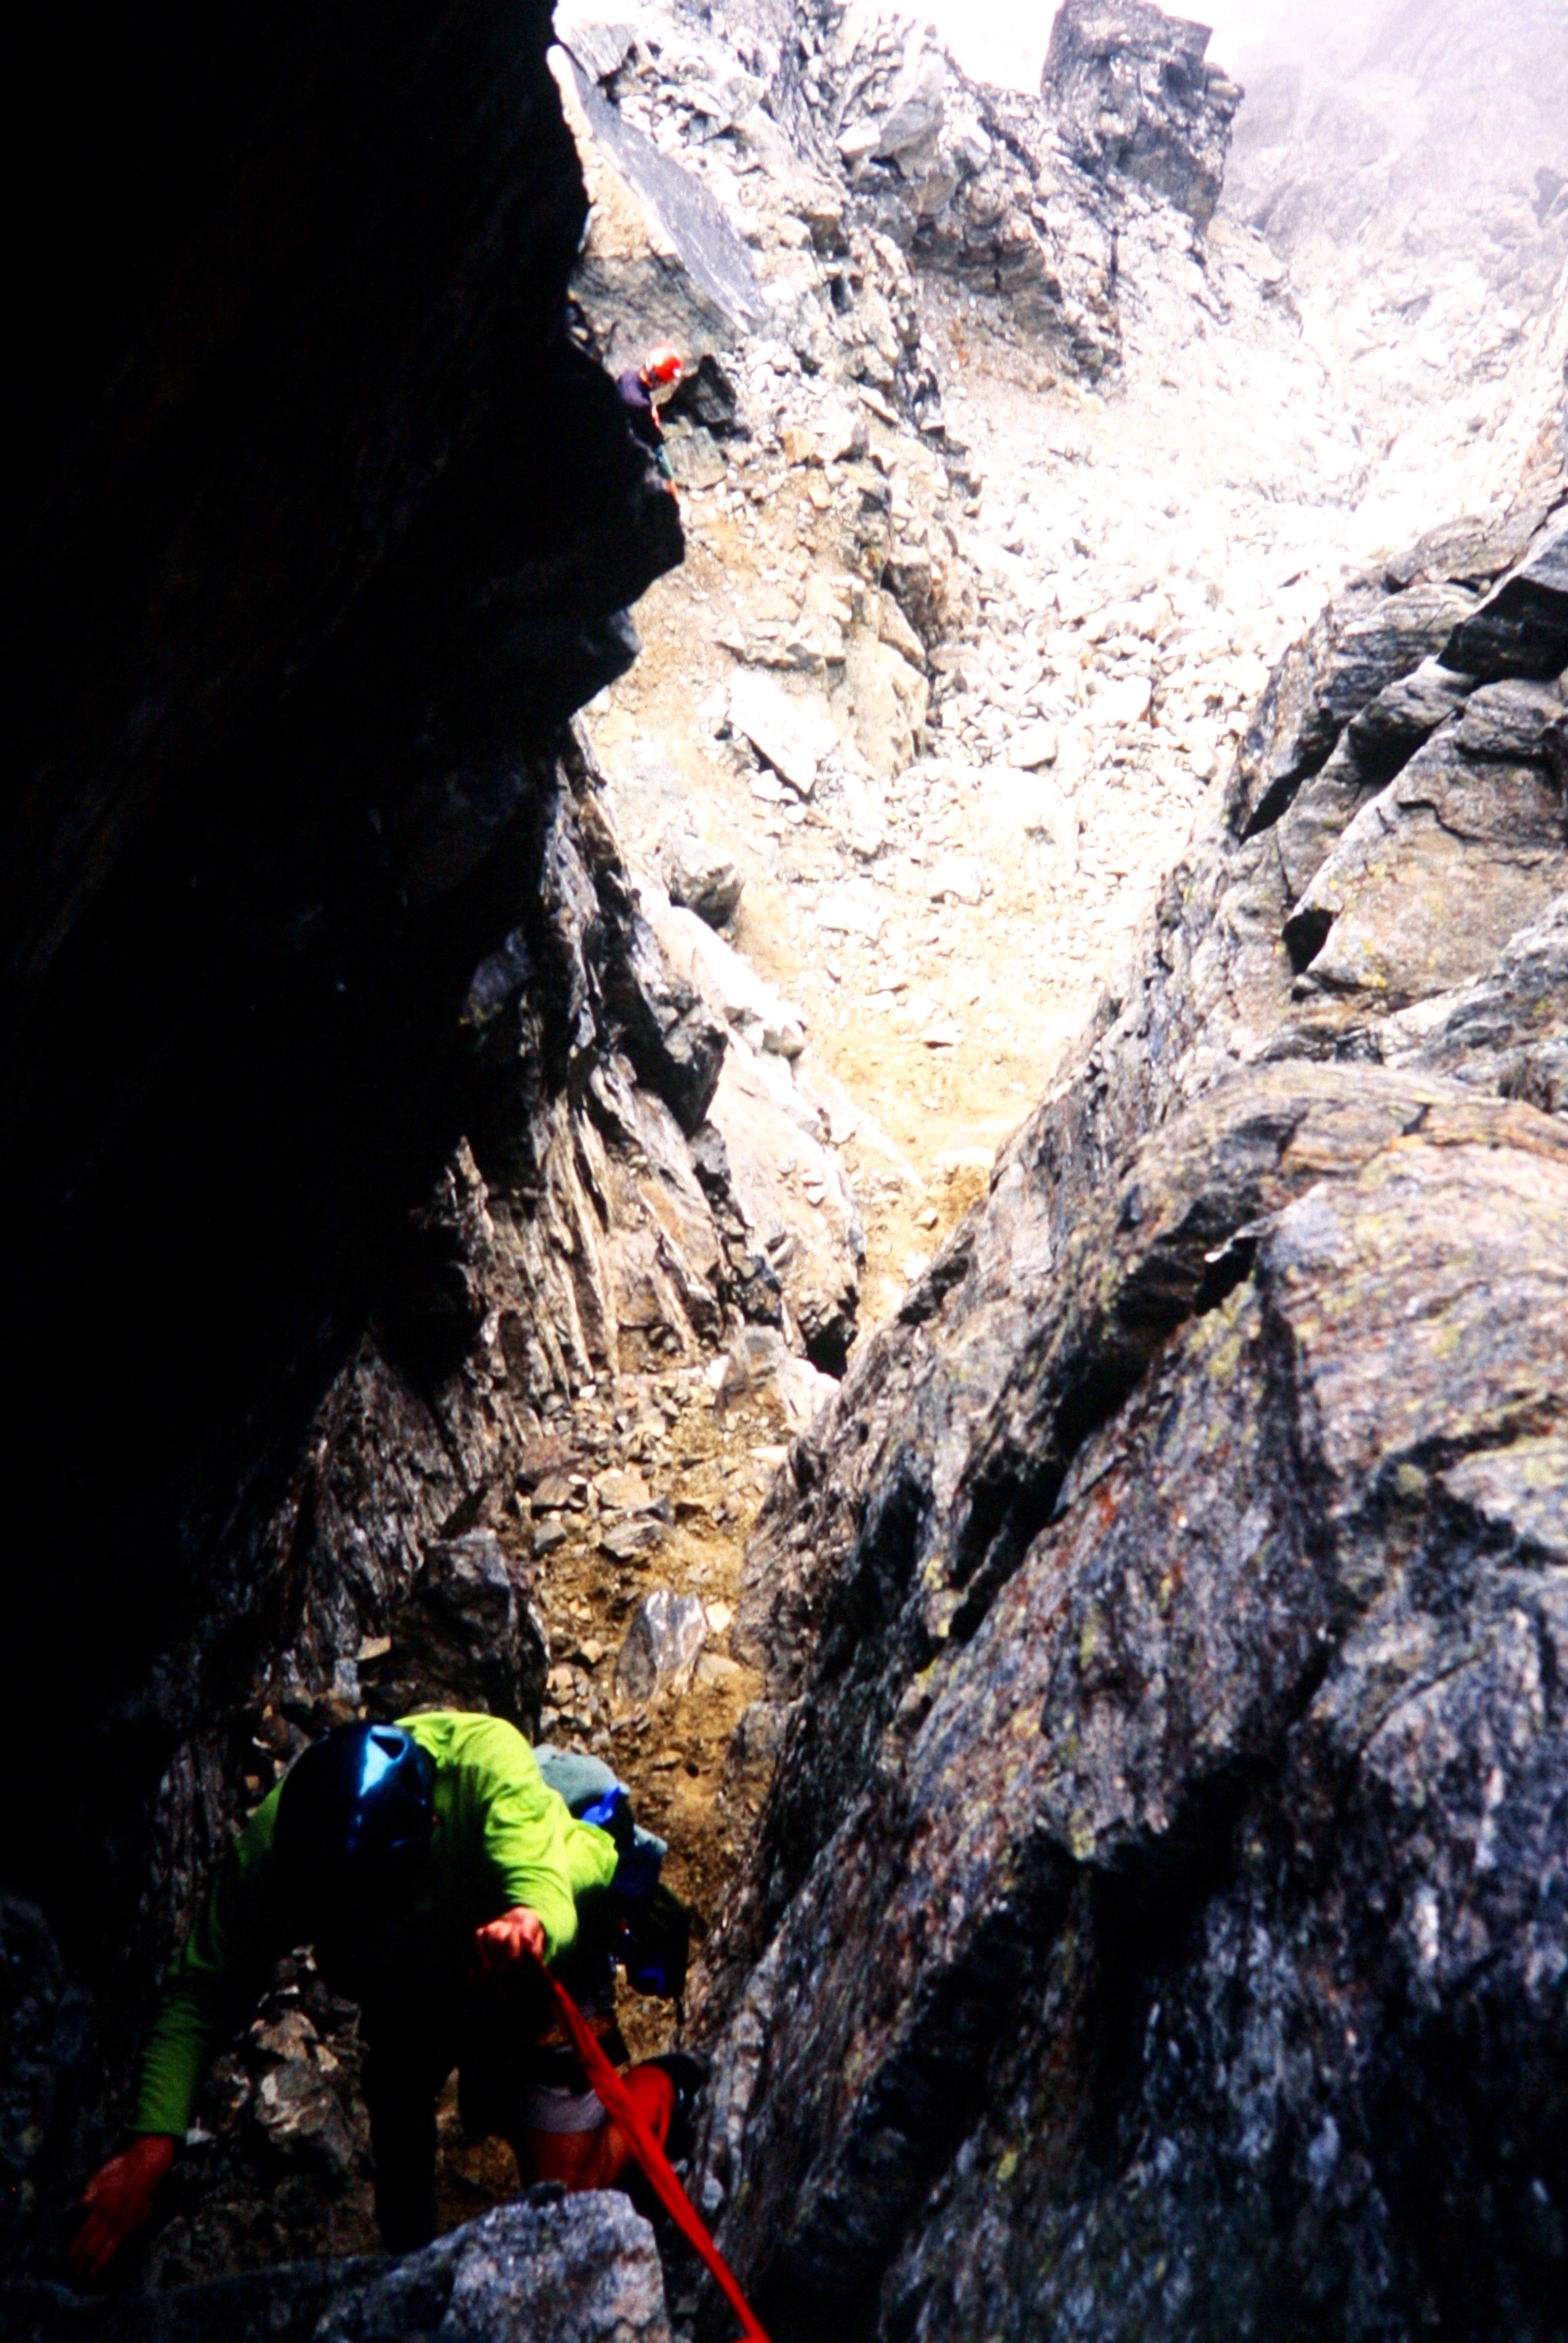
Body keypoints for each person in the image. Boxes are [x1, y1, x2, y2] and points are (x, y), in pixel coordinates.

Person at [68, 1712, 686, 2280]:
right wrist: (153, 2144)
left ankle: (671, 2088)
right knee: (400, 2119)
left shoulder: (485, 1771)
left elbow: (550, 1884)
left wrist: (529, 1923)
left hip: (534, 1954)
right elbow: (201, 1989)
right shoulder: (284, 1851)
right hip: (410, 1977)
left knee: (570, 2198)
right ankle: (409, 2266)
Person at [616, 345, 685, 483]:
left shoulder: (627, 377)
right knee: (666, 471)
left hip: (620, 422)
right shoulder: (640, 404)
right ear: (658, 380)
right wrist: (658, 429)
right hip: (625, 441)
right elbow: (653, 437)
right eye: (665, 382)